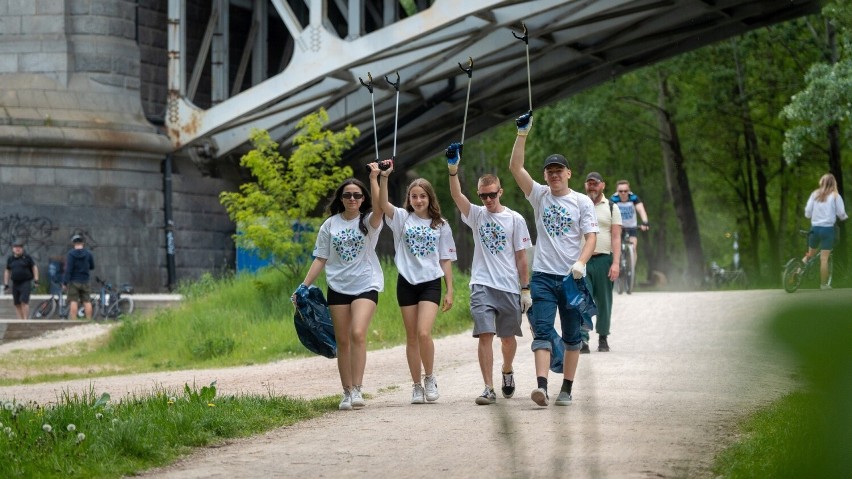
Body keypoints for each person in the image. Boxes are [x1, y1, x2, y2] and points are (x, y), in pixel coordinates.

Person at [508, 111, 598, 407]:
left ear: (568, 174)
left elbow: (591, 237)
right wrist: (522, 134)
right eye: (550, 171)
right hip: (544, 276)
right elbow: (515, 167)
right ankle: (542, 387)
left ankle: (567, 389)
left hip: (572, 278)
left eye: (559, 170)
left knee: (573, 337)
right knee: (543, 331)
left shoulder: (582, 202)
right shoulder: (540, 195)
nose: (555, 175)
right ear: (545, 175)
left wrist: (581, 263)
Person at [446, 143, 532, 405]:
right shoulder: (476, 215)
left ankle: (507, 369)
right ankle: (488, 387)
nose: (488, 200)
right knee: (485, 334)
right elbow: (457, 196)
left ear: (500, 191)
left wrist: (525, 288)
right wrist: (452, 169)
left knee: (507, 339)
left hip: (507, 285)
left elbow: (521, 257)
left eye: (491, 195)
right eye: (483, 196)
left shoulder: (515, 219)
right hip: (481, 284)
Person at [295, 171, 384, 410]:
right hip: (338, 287)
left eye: (357, 195)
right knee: (342, 341)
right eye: (348, 195)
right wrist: (303, 286)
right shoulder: (329, 224)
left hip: (366, 285)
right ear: (341, 198)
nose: (352, 199)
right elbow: (320, 258)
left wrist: (377, 178)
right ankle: (346, 392)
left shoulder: (369, 221)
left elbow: (381, 205)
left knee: (357, 333)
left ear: (363, 198)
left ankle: (357, 389)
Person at [377, 161, 456, 404]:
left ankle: (430, 377)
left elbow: (445, 260)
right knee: (411, 336)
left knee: (423, 332)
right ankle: (416, 385)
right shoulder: (401, 218)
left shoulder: (441, 225)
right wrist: (384, 177)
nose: (418, 200)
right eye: (414, 196)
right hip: (406, 283)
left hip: (431, 282)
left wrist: (450, 290)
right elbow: (381, 204)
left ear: (429, 198)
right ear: (409, 199)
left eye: (422, 196)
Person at [582, 172, 622, 353]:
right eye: (589, 183)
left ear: (602, 185)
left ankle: (603, 336)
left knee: (604, 301)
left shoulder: (612, 207)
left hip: (604, 259)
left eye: (595, 184)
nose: (592, 187)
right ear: (585, 185)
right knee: (582, 300)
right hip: (583, 260)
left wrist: (616, 263)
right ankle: (583, 339)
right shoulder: (579, 204)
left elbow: (616, 236)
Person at [802, 173, 848, 290]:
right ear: (834, 183)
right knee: (824, 259)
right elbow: (841, 214)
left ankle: (794, 273)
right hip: (827, 230)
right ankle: (823, 285)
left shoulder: (814, 195)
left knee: (809, 255)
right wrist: (844, 218)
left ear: (821, 182)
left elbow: (807, 213)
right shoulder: (835, 196)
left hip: (815, 229)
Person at [610, 180, 648, 291]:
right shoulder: (613, 199)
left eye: (625, 191)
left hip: (632, 227)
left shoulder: (634, 198)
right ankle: (617, 265)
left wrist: (645, 222)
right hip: (618, 227)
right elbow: (608, 212)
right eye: (620, 191)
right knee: (615, 248)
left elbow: (641, 209)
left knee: (633, 246)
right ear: (617, 191)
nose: (623, 193)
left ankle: (631, 268)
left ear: (629, 190)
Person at [4, 239, 40, 319]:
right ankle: (20, 321)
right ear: (13, 249)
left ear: (22, 248)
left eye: (20, 247)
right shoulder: (10, 259)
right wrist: (6, 284)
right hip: (15, 283)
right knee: (17, 303)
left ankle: (25, 321)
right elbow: (7, 270)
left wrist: (36, 280)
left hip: (25, 282)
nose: (18, 248)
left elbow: (34, 267)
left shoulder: (27, 257)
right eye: (16, 247)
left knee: (24, 301)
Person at [63, 235, 95, 320]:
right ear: (83, 243)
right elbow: (92, 266)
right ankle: (88, 320)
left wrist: (65, 282)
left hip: (74, 281)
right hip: (85, 281)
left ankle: (74, 321)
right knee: (87, 301)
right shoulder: (88, 253)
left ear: (74, 243)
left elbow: (68, 270)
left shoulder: (71, 254)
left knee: (73, 301)